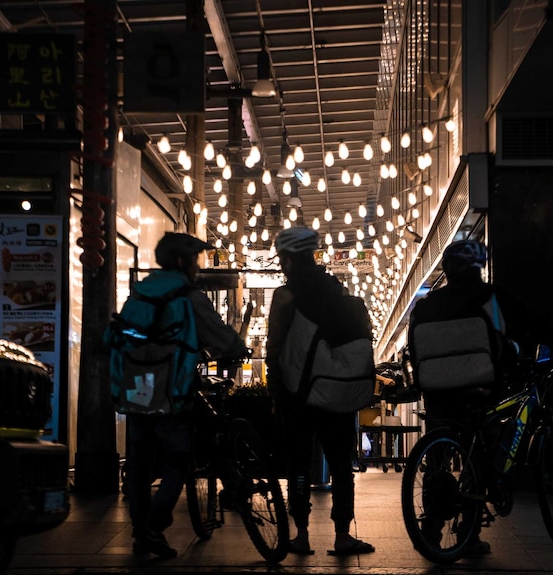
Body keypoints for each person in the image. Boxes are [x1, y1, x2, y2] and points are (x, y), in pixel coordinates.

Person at [407, 239, 553, 556]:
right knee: (482, 455)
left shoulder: (426, 306)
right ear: (479, 268)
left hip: (437, 391)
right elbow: (537, 326)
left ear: (447, 269)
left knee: (437, 462)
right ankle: (469, 532)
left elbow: (415, 350)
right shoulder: (492, 297)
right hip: (482, 388)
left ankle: (431, 529)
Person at [125, 232, 248, 559]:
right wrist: (237, 347)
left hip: (136, 381)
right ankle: (153, 527)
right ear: (182, 261)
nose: (197, 266)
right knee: (178, 457)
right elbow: (217, 333)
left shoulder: (140, 291)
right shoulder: (188, 295)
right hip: (171, 384)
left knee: (139, 460)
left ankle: (140, 532)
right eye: (194, 260)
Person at [266, 226, 375, 557]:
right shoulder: (336, 291)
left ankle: (301, 535)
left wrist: (276, 391)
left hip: (297, 395)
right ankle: (343, 535)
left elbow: (275, 349)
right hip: (336, 394)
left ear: (286, 259)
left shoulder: (285, 297)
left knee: (299, 465)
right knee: (341, 465)